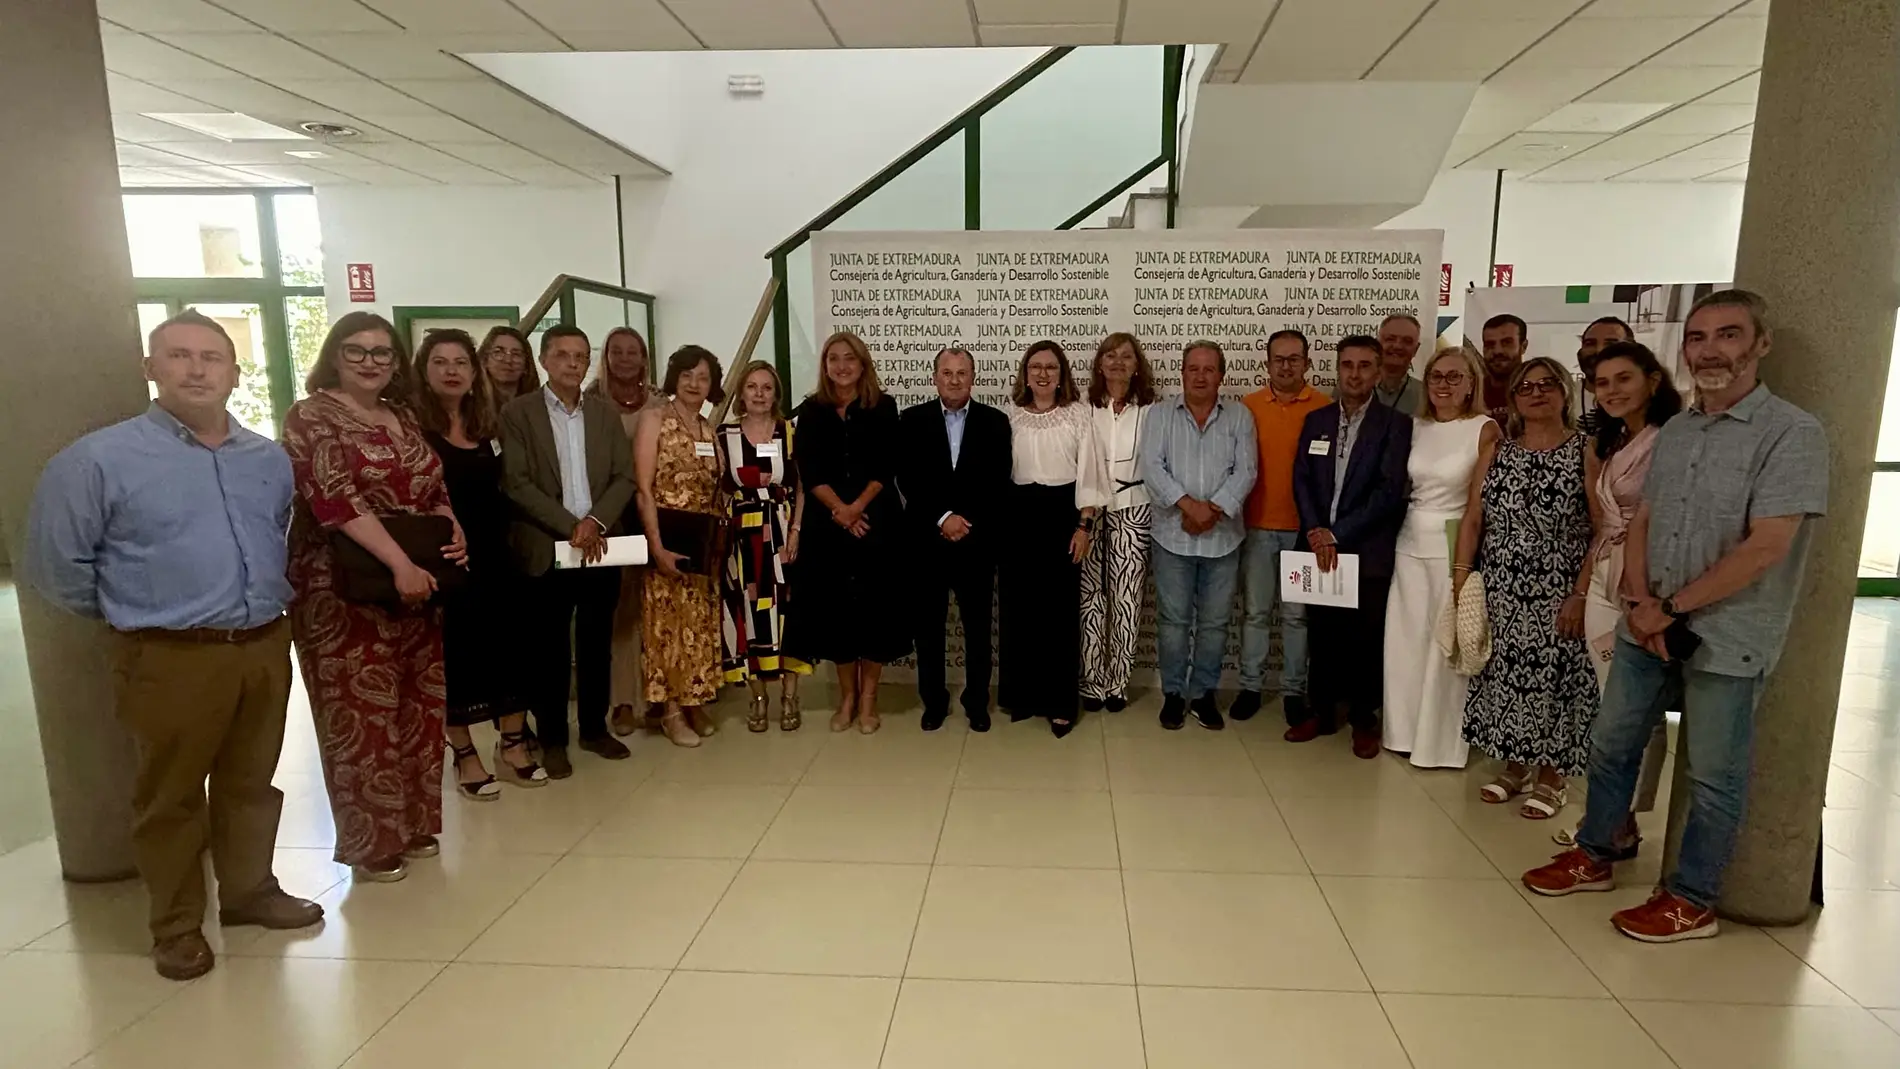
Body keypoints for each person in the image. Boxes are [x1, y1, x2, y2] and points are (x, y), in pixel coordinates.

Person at [23, 309, 322, 980]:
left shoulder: (266, 460)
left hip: (262, 643)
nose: (196, 368)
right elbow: (56, 566)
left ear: (233, 372)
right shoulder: (99, 460)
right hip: (169, 653)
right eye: (179, 355)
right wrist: (141, 617)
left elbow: (276, 533)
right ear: (150, 368)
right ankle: (179, 924)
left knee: (252, 781)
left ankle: (249, 891)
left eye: (211, 357)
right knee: (172, 794)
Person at [1525, 290, 1826, 943]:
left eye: (1727, 334)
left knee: (1713, 772)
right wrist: (1639, 600)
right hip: (1647, 617)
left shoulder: (1792, 432)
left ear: (1759, 344)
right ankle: (1597, 851)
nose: (1711, 349)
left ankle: (1692, 897)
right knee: (1611, 742)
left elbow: (1769, 544)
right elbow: (1644, 520)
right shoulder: (1682, 429)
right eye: (1698, 337)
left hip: (1730, 632)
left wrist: (1671, 607)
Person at [284, 311, 463, 883]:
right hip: (343, 589)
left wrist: (451, 526)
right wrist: (399, 563)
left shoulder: (401, 417)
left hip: (417, 585)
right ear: (335, 354)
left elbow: (432, 486)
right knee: (361, 715)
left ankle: (412, 822)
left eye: (382, 353)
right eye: (357, 350)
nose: (370, 361)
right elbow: (333, 500)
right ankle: (371, 841)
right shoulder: (311, 417)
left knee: (417, 705)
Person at [1552, 339, 1682, 852]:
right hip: (1606, 576)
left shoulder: (1671, 439)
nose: (1610, 391)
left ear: (1652, 379)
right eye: (1601, 383)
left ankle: (1619, 819)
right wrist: (1581, 590)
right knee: (1613, 707)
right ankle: (1613, 818)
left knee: (1635, 709)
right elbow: (1603, 525)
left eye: (1622, 379)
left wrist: (1648, 592)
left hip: (1644, 585)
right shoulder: (1610, 442)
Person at [1455, 357, 1600, 817]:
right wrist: (1461, 575)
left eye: (1547, 385)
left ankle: (1552, 776)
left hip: (1559, 584)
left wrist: (1580, 592)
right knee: (1508, 676)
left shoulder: (1587, 450)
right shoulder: (1498, 451)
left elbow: (1603, 528)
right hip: (1502, 581)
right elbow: (1474, 517)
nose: (1537, 393)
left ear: (1565, 392)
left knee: (1557, 678)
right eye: (1526, 387)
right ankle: (1515, 767)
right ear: (1514, 398)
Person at [412, 328, 546, 797]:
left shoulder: (489, 424)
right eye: (440, 362)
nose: (451, 371)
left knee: (516, 648)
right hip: (447, 558)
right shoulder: (412, 429)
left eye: (459, 363)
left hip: (499, 553)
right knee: (459, 658)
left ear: (474, 373)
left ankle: (512, 744)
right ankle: (464, 754)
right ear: (424, 371)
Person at [499, 324, 637, 776]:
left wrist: (594, 523)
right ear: (543, 360)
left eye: (580, 356)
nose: (572, 364)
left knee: (596, 641)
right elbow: (516, 482)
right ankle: (553, 737)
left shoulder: (603, 414)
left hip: (599, 547)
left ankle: (594, 729)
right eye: (562, 355)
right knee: (549, 649)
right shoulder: (518, 414)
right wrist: (571, 527)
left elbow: (624, 477)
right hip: (547, 546)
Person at [1291, 334, 1414, 757]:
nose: (1355, 373)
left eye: (1365, 365)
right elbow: (1302, 478)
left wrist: (1336, 533)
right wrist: (1314, 531)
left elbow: (1389, 491)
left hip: (1365, 550)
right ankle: (1322, 711)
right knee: (1323, 634)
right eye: (1348, 365)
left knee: (1365, 638)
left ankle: (1364, 717)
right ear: (1337, 369)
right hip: (1317, 548)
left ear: (1378, 373)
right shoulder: (1317, 420)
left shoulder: (1396, 425)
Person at [786, 331, 910, 733]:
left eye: (849, 359)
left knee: (875, 611)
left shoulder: (884, 407)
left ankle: (870, 699)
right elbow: (809, 468)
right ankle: (847, 698)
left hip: (876, 521)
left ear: (862, 364)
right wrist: (840, 509)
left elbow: (887, 464)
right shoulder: (812, 411)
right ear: (824, 366)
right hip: (828, 525)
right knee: (837, 612)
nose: (841, 366)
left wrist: (855, 508)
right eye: (833, 359)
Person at [1382, 344, 1496, 768]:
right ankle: (1402, 732)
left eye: (1454, 377)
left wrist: (1465, 564)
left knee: (1443, 645)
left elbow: (1478, 505)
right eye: (1436, 377)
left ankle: (1439, 744)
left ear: (1470, 385)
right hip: (1408, 541)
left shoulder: (1484, 429)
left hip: (1452, 543)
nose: (1444, 385)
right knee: (1405, 642)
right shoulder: (1415, 426)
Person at [1140, 341, 1256, 731]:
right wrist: (1191, 507)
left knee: (1215, 622)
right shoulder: (1159, 415)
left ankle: (1204, 693)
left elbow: (1246, 472)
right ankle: (1173, 693)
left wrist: (1213, 510)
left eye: (1209, 369)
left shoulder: (1240, 416)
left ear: (1221, 374)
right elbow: (1153, 469)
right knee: (1173, 620)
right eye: (1193, 368)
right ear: (1182, 372)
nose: (1201, 376)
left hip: (1224, 538)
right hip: (1173, 534)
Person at [897, 346, 1012, 732]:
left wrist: (966, 521)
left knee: (979, 629)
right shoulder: (911, 420)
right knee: (929, 629)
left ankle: (977, 701)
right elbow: (907, 477)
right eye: (947, 373)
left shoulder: (995, 422)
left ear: (973, 378)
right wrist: (943, 518)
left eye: (962, 373)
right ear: (935, 377)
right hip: (926, 542)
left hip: (977, 543)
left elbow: (998, 479)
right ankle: (934, 701)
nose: (954, 380)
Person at [1000, 340, 1111, 737]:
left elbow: (1091, 474)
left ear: (1062, 374)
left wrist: (1084, 526)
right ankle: (1024, 696)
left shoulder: (1078, 416)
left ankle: (1060, 703)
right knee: (1020, 610)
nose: (1042, 374)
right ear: (1025, 374)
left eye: (1050, 367)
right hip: (1017, 517)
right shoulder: (1011, 418)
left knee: (1060, 614)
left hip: (1062, 516)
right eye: (1035, 367)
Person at [1233, 329, 1332, 725]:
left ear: (1308, 363)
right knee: (1256, 613)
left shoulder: (1325, 408)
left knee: (1296, 617)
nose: (1286, 365)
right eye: (1279, 358)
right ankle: (1250, 687)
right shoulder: (1248, 406)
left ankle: (1294, 691)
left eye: (1294, 358)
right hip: (1257, 526)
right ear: (1267, 363)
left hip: (1304, 532)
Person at [636, 345, 729, 745]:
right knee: (668, 629)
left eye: (703, 377)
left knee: (698, 626)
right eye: (688, 375)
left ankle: (694, 701)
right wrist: (656, 548)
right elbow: (643, 489)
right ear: (675, 377)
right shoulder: (654, 419)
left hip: (701, 545)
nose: (695, 384)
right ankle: (670, 711)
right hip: (667, 540)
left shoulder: (708, 427)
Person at [716, 359, 810, 732]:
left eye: (766, 387)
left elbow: (802, 485)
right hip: (741, 537)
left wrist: (797, 531)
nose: (759, 394)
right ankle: (757, 697)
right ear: (741, 392)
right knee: (746, 614)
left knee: (787, 614)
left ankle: (790, 695)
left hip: (782, 532)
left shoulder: (790, 432)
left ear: (776, 394)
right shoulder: (723, 435)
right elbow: (718, 486)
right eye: (752, 386)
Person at [588, 326, 668, 737]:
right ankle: (621, 701)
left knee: (656, 609)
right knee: (620, 614)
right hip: (610, 519)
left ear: (643, 357)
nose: (624, 358)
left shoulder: (660, 403)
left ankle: (657, 696)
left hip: (656, 516)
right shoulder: (589, 402)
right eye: (615, 351)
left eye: (632, 351)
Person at [1080, 333, 1157, 712]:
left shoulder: (1151, 409)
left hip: (1134, 506)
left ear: (1137, 365)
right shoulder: (1083, 407)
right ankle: (1092, 683)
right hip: (1090, 510)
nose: (1117, 363)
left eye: (1126, 356)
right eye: (1110, 356)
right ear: (1099, 364)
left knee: (1126, 597)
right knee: (1091, 597)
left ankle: (1117, 685)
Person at [1575, 316, 1634, 436]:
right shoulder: (1561, 398)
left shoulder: (1643, 399)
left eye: (1611, 343)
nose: (1599, 350)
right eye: (1590, 344)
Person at [1374, 313, 1426, 416]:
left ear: (1416, 349)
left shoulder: (1425, 396)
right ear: (1377, 344)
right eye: (1390, 339)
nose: (1397, 346)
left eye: (1407, 341)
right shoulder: (1351, 389)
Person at [1480, 313, 1528, 421]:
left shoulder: (1537, 391)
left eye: (1507, 343)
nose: (1498, 351)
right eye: (1490, 344)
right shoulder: (1471, 392)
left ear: (1523, 346)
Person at [479, 325, 539, 407]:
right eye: (498, 352)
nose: (508, 360)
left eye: (516, 354)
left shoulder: (539, 406)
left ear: (526, 365)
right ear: (485, 360)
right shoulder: (470, 406)